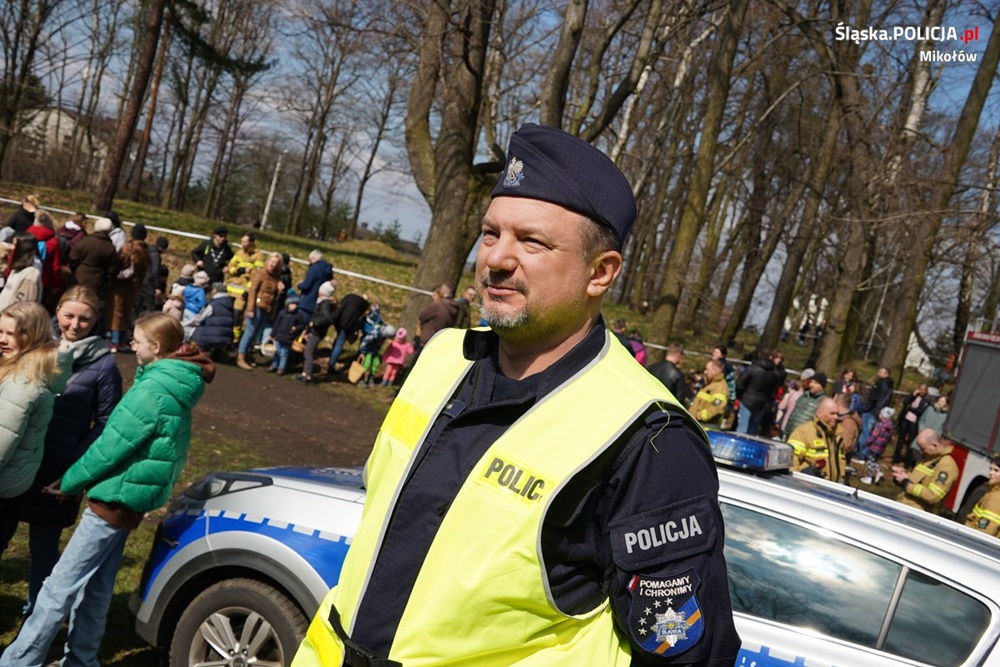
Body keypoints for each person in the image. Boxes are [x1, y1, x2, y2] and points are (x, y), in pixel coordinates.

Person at [293, 123, 740, 666]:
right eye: (491, 233)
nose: (497, 259)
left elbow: (686, 652)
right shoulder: (444, 355)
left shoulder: (648, 437)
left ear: (600, 273)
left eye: (532, 241)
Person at [0, 313, 214, 667]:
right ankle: (82, 659)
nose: (132, 346)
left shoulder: (151, 391)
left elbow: (109, 447)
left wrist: (69, 482)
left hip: (113, 500)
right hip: (132, 502)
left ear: (155, 347)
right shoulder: (177, 384)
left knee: (58, 586)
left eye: (137, 341)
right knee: (97, 588)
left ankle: (19, 661)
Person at [2, 287, 122, 615]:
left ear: (96, 320)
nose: (75, 325)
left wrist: (74, 465)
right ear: (57, 311)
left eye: (85, 318)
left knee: (43, 549)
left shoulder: (104, 366)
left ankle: (36, 616)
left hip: (56, 471)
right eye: (69, 315)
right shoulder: (36, 347)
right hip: (16, 460)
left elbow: (107, 422)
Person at [0, 302, 64, 508]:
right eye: (0, 331)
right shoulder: (19, 367)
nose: (2, 339)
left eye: (11, 334)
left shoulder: (22, 384)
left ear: (32, 336)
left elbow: (3, 439)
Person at [105, 224, 150, 352]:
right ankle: (121, 340)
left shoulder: (129, 247)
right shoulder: (145, 250)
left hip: (120, 284)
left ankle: (114, 341)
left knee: (116, 311)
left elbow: (120, 262)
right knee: (126, 312)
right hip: (134, 286)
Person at [892, 428, 957, 513]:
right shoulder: (930, 459)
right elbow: (919, 481)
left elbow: (932, 496)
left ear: (934, 446)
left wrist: (906, 484)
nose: (921, 452)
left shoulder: (947, 466)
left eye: (923, 449)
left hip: (917, 514)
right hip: (905, 507)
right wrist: (903, 475)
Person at [237, 253, 283, 370]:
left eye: (275, 263)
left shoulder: (276, 277)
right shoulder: (260, 274)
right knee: (250, 331)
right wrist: (250, 308)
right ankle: (241, 356)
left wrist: (280, 290)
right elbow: (253, 290)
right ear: (267, 261)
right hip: (256, 306)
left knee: (256, 333)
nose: (273, 265)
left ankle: (247, 354)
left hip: (266, 308)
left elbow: (274, 296)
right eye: (271, 261)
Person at [787, 397, 845, 482]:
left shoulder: (837, 436)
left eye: (837, 414)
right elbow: (791, 464)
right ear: (819, 413)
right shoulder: (803, 432)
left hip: (831, 486)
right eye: (832, 413)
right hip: (807, 485)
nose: (836, 417)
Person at [297, 281, 337, 384]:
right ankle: (306, 373)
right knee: (309, 351)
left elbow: (327, 319)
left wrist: (314, 323)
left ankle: (307, 375)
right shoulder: (322, 302)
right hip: (315, 330)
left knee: (308, 352)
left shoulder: (324, 304)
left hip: (316, 332)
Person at [69, 217, 119, 297]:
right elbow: (112, 268)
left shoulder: (84, 241)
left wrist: (75, 270)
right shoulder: (110, 247)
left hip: (78, 277)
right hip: (97, 280)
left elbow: (72, 258)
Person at [735, 348, 779, 436]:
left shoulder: (751, 368)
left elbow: (740, 383)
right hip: (762, 403)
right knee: (753, 429)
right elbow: (773, 390)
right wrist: (768, 401)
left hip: (747, 399)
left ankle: (739, 442)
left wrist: (740, 396)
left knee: (742, 427)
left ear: (759, 355)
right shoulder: (774, 374)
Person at [327, 292, 369, 371]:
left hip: (339, 319)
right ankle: (331, 364)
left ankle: (331, 356)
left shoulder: (350, 296)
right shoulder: (364, 304)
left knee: (338, 339)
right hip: (348, 323)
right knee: (340, 342)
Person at [0, 232, 43, 310]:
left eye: (14, 245)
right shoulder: (16, 269)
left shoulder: (30, 273)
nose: (11, 248)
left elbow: (21, 305)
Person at [267, 293, 307, 375]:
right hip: (279, 336)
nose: (294, 306)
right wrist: (272, 334)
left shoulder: (297, 315)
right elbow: (276, 324)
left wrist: (296, 328)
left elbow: (302, 325)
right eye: (292, 304)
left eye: (296, 304)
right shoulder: (282, 313)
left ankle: (281, 368)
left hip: (289, 337)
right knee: (277, 352)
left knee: (284, 354)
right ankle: (274, 365)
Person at [859, 366, 894, 449]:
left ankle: (862, 451)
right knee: (868, 431)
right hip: (876, 410)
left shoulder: (882, 384)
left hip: (872, 411)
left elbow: (874, 398)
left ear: (886, 374)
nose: (879, 373)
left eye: (881, 372)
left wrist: (865, 408)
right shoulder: (886, 384)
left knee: (866, 432)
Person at [965, 453, 1000, 537]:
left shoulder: (996, 498)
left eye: (996, 470)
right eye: (990, 469)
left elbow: (984, 532)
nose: (991, 473)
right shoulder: (992, 492)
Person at [783, 371, 828, 436]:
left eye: (815, 383)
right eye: (811, 382)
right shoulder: (803, 396)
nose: (811, 385)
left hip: (803, 436)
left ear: (822, 386)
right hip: (789, 433)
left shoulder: (823, 401)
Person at [688, 358, 730, 426]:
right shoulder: (709, 384)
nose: (705, 372)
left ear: (715, 371)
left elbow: (717, 409)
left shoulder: (720, 387)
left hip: (705, 427)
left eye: (707, 369)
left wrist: (697, 416)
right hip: (696, 423)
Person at [859, 407, 894, 484]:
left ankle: (869, 477)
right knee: (874, 461)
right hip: (881, 447)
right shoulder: (891, 427)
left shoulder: (879, 425)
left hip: (874, 446)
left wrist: (867, 442)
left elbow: (874, 436)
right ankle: (879, 472)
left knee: (870, 461)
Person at [298, 249, 334, 315]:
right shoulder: (328, 271)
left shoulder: (314, 268)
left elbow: (306, 285)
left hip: (306, 302)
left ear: (313, 258)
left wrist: (300, 284)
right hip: (318, 304)